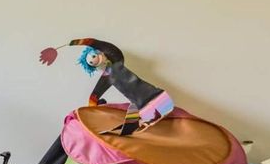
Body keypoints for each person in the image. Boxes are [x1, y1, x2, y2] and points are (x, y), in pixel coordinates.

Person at [39, 37, 174, 135]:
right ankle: (142, 117)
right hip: (141, 106)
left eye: (93, 56)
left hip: (152, 95)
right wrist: (92, 106)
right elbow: (96, 93)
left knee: (140, 99)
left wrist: (74, 42)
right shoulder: (107, 77)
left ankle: (156, 104)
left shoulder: (116, 60)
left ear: (100, 53)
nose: (93, 59)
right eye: (91, 62)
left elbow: (95, 42)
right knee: (129, 125)